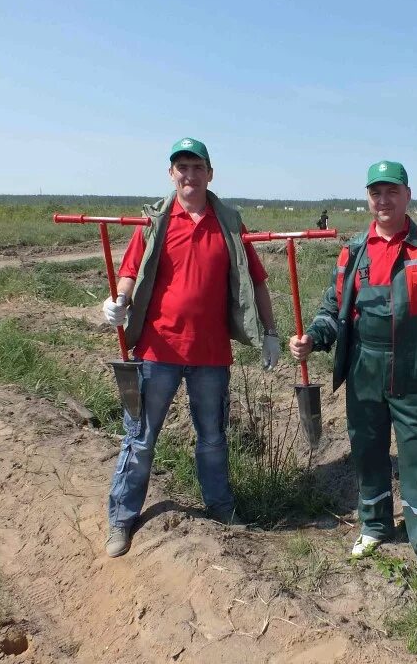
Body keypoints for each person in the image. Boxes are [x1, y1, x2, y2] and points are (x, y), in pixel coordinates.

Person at [289, 160, 417, 585]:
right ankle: (374, 525)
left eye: (392, 191)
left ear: (408, 195)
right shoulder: (353, 251)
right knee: (367, 449)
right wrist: (313, 338)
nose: (383, 200)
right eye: (376, 193)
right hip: (364, 365)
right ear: (368, 198)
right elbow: (332, 311)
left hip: (413, 366)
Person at [101, 137, 280, 558]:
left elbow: (257, 282)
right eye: (181, 167)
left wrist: (270, 331)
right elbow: (129, 272)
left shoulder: (230, 224)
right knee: (141, 439)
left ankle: (220, 509)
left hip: (210, 354)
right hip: (157, 350)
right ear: (171, 175)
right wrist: (118, 303)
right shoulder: (156, 222)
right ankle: (122, 520)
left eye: (196, 166)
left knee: (213, 438)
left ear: (209, 173)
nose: (189, 174)